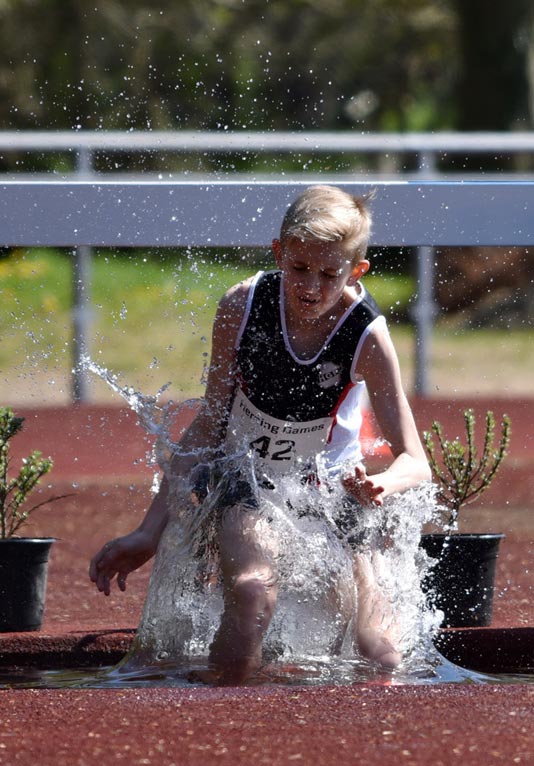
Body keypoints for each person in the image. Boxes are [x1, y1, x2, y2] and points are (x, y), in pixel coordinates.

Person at [89, 185, 431, 684]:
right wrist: (149, 529)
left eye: (329, 274)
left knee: (379, 654)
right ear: (279, 253)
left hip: (329, 493)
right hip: (247, 481)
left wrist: (382, 485)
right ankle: (222, 720)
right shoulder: (242, 307)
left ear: (356, 271)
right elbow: (207, 426)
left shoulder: (367, 336)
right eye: (298, 269)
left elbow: (415, 460)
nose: (311, 287)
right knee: (253, 592)